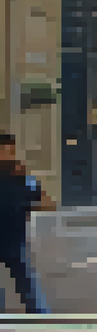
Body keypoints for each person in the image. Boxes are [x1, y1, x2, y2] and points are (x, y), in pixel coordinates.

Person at [0, 133, 53, 314]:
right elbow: (47, 203)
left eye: (11, 151)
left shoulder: (21, 177)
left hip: (15, 239)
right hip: (15, 239)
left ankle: (39, 317)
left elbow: (47, 203)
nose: (9, 155)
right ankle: (39, 318)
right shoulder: (21, 177)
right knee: (28, 285)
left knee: (28, 285)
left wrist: (25, 203)